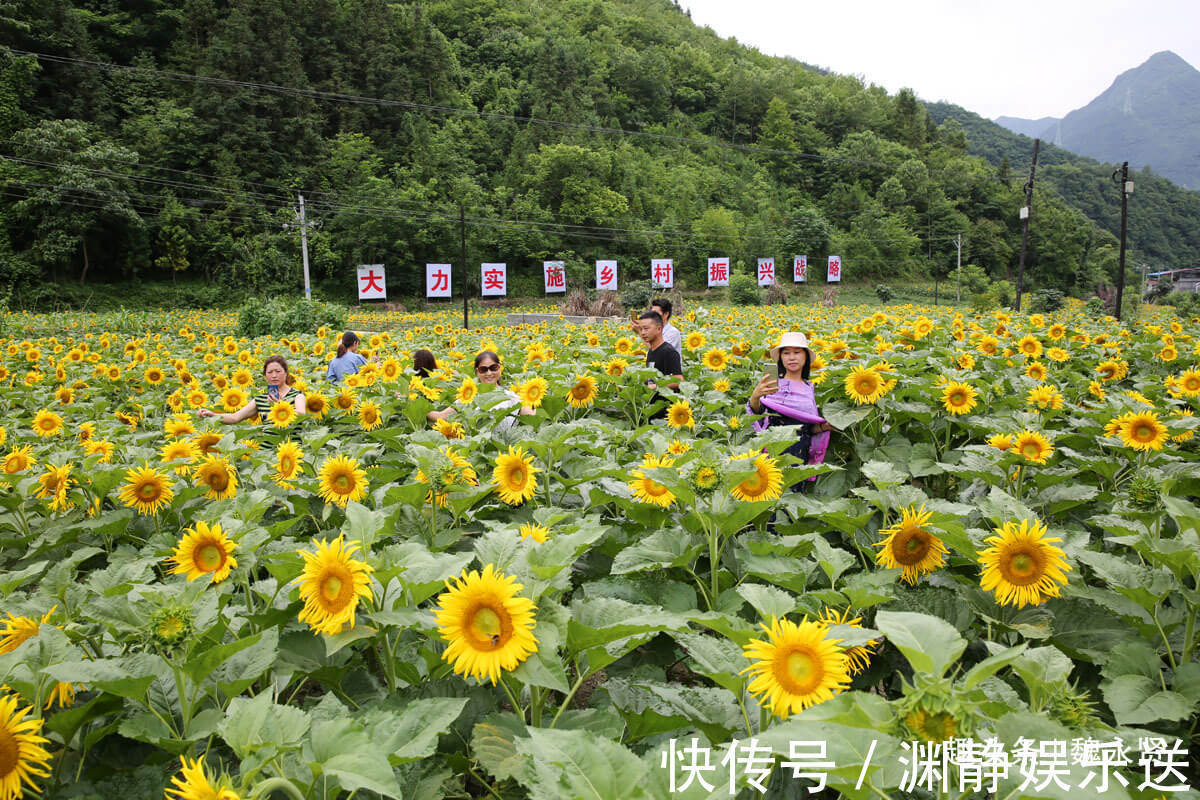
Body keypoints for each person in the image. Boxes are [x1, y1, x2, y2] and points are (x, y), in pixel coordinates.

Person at [747, 332, 834, 492]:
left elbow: (807, 427)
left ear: (805, 356)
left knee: (792, 499)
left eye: (796, 352)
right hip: (774, 449)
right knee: (770, 498)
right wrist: (755, 396)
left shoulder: (809, 388)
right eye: (786, 353)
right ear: (780, 357)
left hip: (799, 452)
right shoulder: (773, 384)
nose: (791, 357)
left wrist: (825, 427)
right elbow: (759, 416)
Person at [427, 350, 533, 431]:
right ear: (477, 372)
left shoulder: (512, 398)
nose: (489, 373)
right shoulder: (469, 397)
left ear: (499, 369)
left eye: (493, 368)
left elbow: (532, 418)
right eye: (483, 369)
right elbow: (442, 416)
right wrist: (418, 406)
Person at [200, 355, 306, 425]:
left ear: (286, 373)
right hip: (266, 453)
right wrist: (212, 414)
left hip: (291, 450)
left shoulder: (297, 395)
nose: (274, 375)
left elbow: (301, 413)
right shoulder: (260, 399)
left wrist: (280, 405)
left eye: (278, 371)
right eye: (270, 372)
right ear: (265, 376)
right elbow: (235, 417)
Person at [638, 311, 682, 390]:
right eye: (640, 329)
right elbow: (652, 378)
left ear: (659, 329)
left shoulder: (669, 352)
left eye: (646, 328)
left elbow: (679, 381)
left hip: (666, 401)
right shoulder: (651, 351)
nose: (642, 333)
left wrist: (658, 387)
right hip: (652, 400)